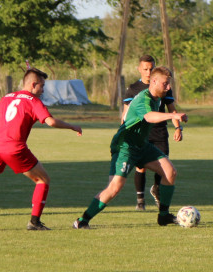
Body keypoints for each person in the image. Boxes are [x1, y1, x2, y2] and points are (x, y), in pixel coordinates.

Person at [0, 68, 83, 232]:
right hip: (14, 148)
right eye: (42, 86)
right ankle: (34, 222)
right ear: (33, 85)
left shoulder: (6, 98)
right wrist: (73, 126)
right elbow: (50, 122)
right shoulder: (33, 101)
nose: (42, 90)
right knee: (43, 180)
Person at [74, 66, 187, 229]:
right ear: (154, 81)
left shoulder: (157, 98)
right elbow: (149, 117)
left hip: (142, 145)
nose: (168, 87)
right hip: (125, 146)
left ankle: (163, 216)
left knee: (170, 172)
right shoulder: (143, 99)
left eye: (169, 84)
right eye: (165, 84)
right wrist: (173, 115)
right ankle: (82, 220)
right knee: (115, 187)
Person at [122, 54, 183, 210]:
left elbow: (171, 108)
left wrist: (177, 127)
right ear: (139, 69)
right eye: (146, 69)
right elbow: (126, 113)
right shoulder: (134, 89)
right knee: (140, 167)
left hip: (160, 132)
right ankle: (140, 200)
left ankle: (157, 189)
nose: (149, 72)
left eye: (151, 68)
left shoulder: (164, 87)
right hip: (142, 134)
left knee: (164, 166)